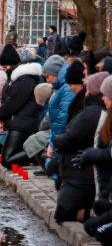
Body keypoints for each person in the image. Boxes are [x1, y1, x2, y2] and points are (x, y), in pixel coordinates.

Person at [51, 63, 102, 223]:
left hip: (79, 170)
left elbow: (70, 136)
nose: (70, 87)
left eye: (72, 83)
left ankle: (88, 214)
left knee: (64, 214)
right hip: (76, 168)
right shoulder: (84, 105)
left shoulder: (89, 111)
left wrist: (56, 141)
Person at [0, 44, 43, 168]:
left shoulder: (25, 80)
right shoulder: (17, 79)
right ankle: (34, 157)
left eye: (5, 66)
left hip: (22, 124)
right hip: (18, 122)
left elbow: (13, 103)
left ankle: (39, 154)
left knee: (7, 160)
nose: (4, 69)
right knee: (5, 155)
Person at [79, 75, 112, 246]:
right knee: (99, 207)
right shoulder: (108, 116)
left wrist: (91, 154)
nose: (102, 98)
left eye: (106, 95)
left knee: (96, 230)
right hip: (107, 184)